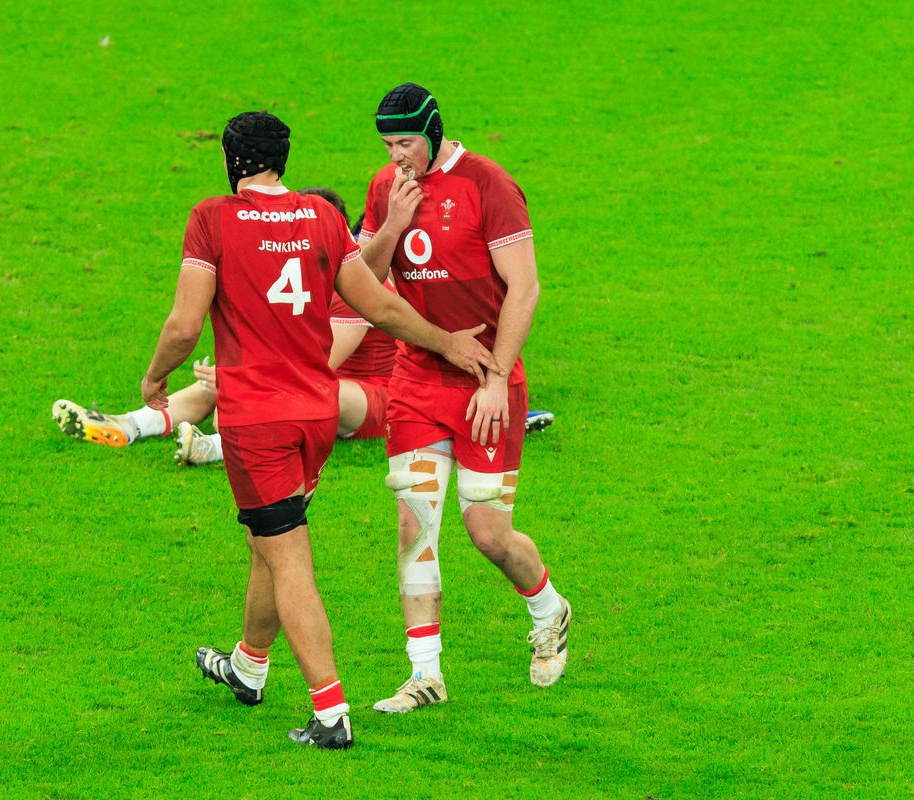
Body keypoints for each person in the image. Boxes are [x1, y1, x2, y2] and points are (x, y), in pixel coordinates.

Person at [140, 110, 501, 749]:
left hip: (259, 421)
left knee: (288, 559)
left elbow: (184, 325)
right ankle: (249, 666)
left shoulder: (212, 218)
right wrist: (448, 342)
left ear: (231, 160)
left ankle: (331, 714)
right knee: (267, 540)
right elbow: (380, 305)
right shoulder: (320, 216)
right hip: (316, 415)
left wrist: (155, 379)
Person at [357, 83, 571, 713]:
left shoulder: (488, 184)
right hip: (416, 382)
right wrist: (392, 223)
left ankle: (549, 610)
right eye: (388, 145)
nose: (397, 156)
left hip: (485, 384)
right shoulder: (386, 188)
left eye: (406, 143)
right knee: (414, 523)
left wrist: (498, 377)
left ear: (433, 131)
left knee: (488, 533)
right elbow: (363, 281)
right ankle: (425, 674)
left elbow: (525, 287)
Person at [51, 189, 396, 462]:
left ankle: (213, 447)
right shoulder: (299, 273)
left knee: (296, 388)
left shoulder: (358, 284)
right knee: (220, 383)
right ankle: (130, 425)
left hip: (366, 397)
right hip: (310, 382)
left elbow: (315, 368)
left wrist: (244, 376)